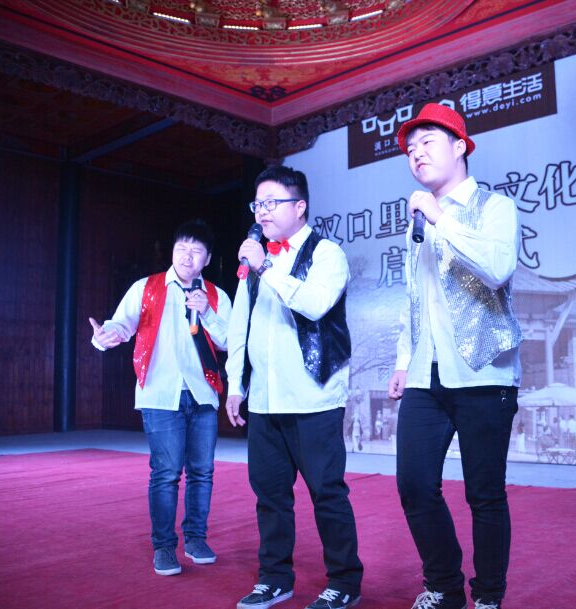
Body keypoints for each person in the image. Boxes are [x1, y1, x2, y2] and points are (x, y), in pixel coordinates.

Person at [387, 103, 522, 609]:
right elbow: (414, 297)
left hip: (484, 371)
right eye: (410, 148)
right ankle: (444, 586)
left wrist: (440, 217)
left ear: (461, 146)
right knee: (414, 485)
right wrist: (403, 360)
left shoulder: (494, 207)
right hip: (426, 374)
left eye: (427, 143)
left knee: (484, 493)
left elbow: (497, 268)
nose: (416, 154)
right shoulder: (418, 220)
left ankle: (487, 595)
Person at [224, 166, 363, 609]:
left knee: (327, 493)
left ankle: (344, 581)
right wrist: (235, 384)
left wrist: (267, 268)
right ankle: (274, 578)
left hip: (313, 397)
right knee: (270, 496)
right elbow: (240, 325)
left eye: (271, 203)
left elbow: (315, 304)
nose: (262, 212)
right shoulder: (253, 263)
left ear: (300, 206)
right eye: (257, 204)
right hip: (265, 399)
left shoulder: (327, 254)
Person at [89, 219, 231, 577]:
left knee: (202, 472)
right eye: (182, 247)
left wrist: (207, 311)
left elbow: (229, 341)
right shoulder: (146, 288)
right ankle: (164, 547)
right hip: (159, 393)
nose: (187, 255)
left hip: (203, 393)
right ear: (172, 251)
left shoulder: (216, 296)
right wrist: (106, 336)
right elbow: (121, 324)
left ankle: (196, 539)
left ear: (207, 258)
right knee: (166, 473)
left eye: (196, 250)